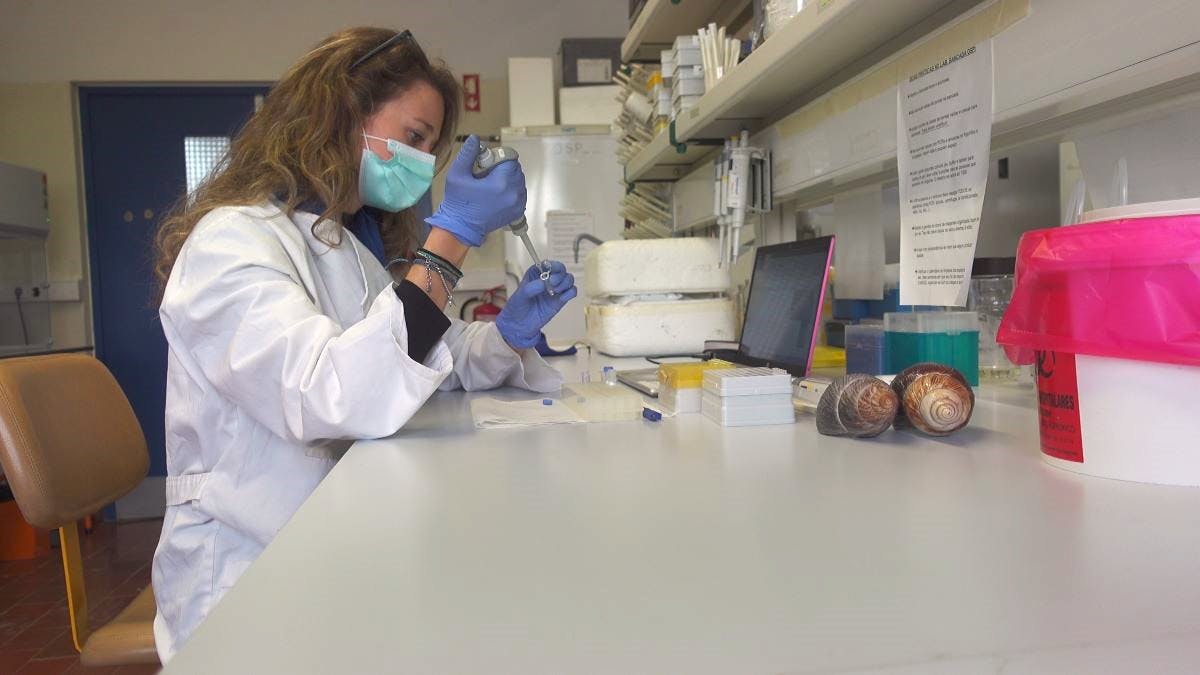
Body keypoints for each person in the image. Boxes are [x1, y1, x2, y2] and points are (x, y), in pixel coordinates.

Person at [148, 27, 576, 662]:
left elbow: (435, 354)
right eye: (413, 138)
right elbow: (332, 393)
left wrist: (508, 334)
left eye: (431, 147)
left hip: (339, 539)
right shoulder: (229, 243)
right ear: (343, 114)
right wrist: (451, 237)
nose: (423, 164)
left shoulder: (343, 244)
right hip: (251, 573)